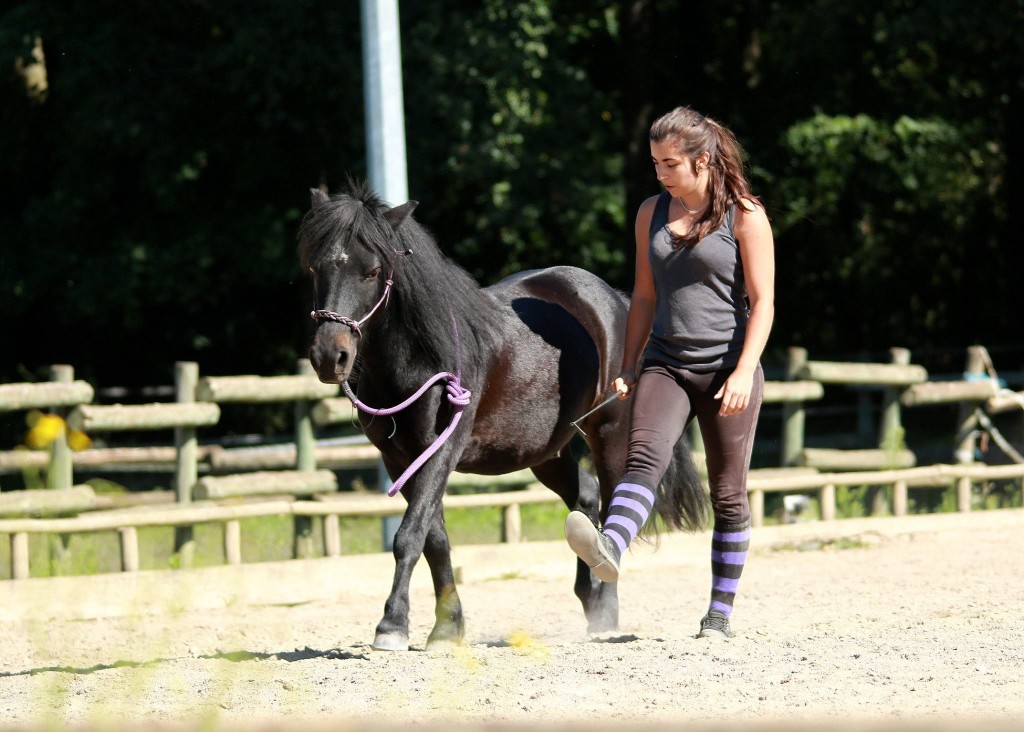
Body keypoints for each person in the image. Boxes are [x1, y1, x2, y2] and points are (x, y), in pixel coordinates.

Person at [565, 105, 775, 639]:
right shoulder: (650, 213)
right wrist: (629, 364)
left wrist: (745, 371)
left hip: (728, 368)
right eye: (655, 163)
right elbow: (643, 295)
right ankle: (610, 546)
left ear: (702, 161)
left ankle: (719, 613)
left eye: (669, 164)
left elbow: (763, 302)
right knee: (642, 461)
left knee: (728, 494)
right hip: (666, 364)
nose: (660, 173)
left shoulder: (745, 215)